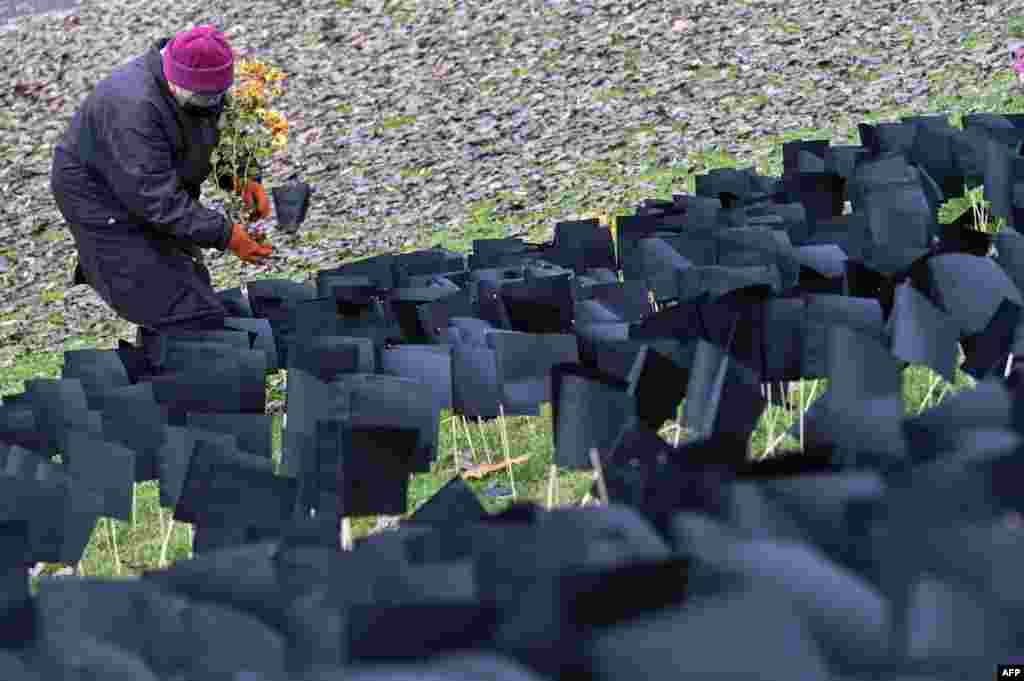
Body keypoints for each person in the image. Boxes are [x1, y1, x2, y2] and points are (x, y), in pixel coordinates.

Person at [49, 24, 273, 358]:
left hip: (151, 182)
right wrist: (228, 236)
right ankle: (170, 380)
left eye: (216, 95)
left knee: (188, 284)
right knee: (176, 304)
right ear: (173, 76)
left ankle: (168, 358)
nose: (211, 102)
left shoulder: (202, 83)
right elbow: (155, 198)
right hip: (100, 199)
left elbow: (217, 128)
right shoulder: (132, 108)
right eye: (202, 97)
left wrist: (241, 176)